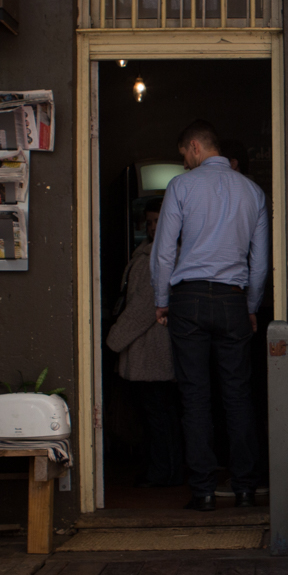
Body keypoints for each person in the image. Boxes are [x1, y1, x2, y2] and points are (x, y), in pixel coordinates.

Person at [152, 119, 271, 511]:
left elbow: (165, 251)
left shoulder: (181, 187)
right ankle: (245, 488)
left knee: (195, 397)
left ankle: (203, 490)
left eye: (184, 153)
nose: (184, 161)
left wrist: (161, 298)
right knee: (238, 396)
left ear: (196, 148)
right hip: (233, 299)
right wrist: (251, 307)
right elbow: (260, 263)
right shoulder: (253, 192)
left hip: (187, 300)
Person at [108, 206, 183, 486]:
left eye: (157, 222)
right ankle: (162, 468)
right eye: (149, 222)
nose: (152, 227)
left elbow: (145, 304)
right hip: (146, 346)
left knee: (159, 413)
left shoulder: (162, 255)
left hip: (154, 347)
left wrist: (115, 338)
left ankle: (164, 472)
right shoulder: (147, 251)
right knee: (157, 413)